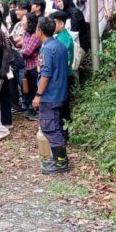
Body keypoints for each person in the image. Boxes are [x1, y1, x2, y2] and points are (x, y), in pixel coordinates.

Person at [34, 17, 71, 173]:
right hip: (61, 93)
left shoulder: (47, 49)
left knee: (50, 127)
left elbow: (46, 74)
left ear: (39, 31)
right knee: (56, 125)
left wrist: (38, 95)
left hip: (50, 95)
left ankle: (61, 162)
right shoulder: (60, 45)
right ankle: (58, 158)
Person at [20, 13, 41, 121]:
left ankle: (37, 111)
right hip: (27, 66)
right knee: (28, 89)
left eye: (23, 20)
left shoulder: (35, 36)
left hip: (34, 66)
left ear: (29, 22)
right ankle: (31, 109)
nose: (22, 22)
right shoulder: (26, 34)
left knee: (34, 89)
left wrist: (18, 52)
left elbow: (28, 51)